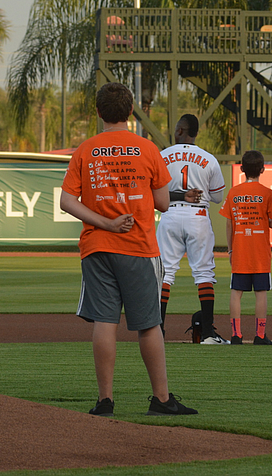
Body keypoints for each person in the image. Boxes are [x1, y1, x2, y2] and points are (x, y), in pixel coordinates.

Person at [60, 82, 196, 416]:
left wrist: (104, 223)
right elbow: (164, 202)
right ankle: (161, 399)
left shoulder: (86, 149)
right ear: (131, 111)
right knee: (149, 324)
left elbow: (66, 201)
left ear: (98, 112)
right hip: (138, 246)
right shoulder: (147, 149)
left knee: (104, 321)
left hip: (96, 247)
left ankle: (105, 400)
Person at [156, 114, 228, 344]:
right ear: (195, 133)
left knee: (164, 273)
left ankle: (157, 331)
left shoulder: (162, 156)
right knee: (204, 273)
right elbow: (217, 197)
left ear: (180, 131)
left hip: (170, 213)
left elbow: (151, 192)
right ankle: (207, 333)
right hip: (198, 215)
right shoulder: (209, 159)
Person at [219, 150, 272, 345]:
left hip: (240, 249)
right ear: (263, 169)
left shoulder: (234, 193)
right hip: (260, 252)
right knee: (261, 293)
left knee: (236, 292)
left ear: (242, 169)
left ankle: (236, 335)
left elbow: (229, 224)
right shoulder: (267, 193)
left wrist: (230, 250)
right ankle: (260, 335)